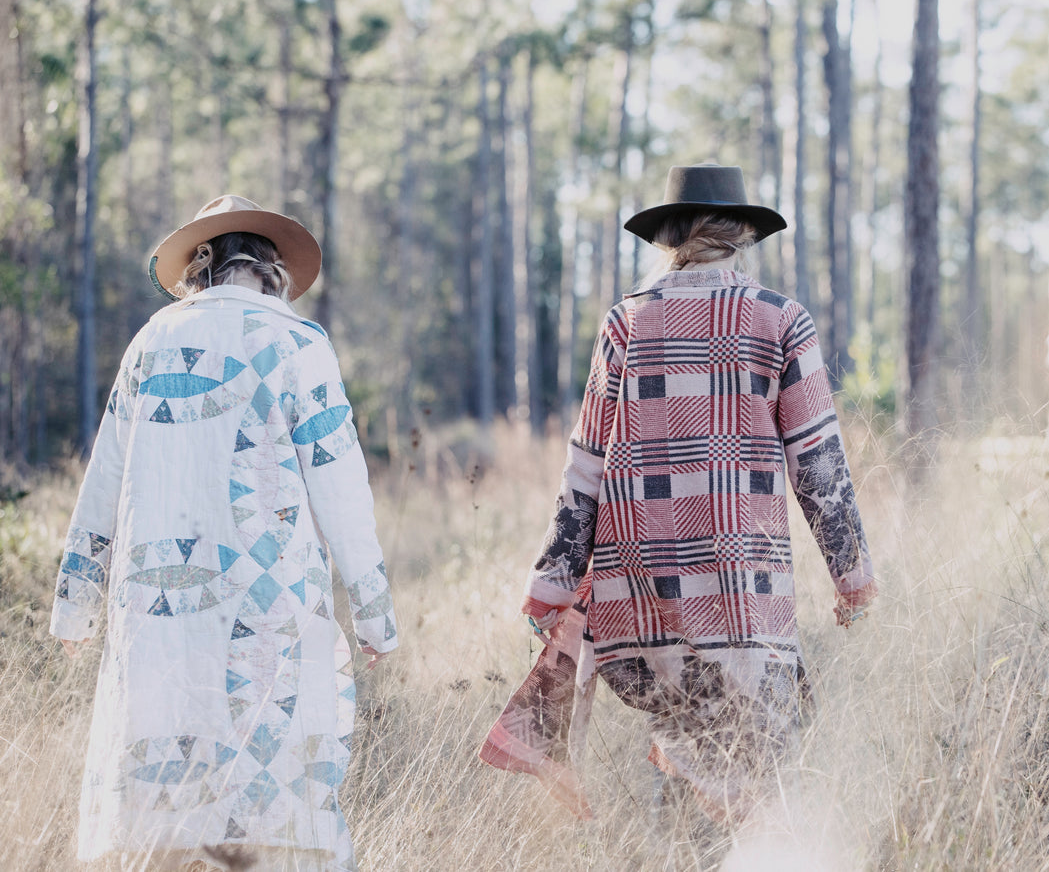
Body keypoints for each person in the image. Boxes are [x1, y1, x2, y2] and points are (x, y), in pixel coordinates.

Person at [481, 165, 876, 851]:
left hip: (643, 597)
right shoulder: (781, 320)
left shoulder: (625, 320)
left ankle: (679, 855)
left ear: (667, 236)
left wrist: (551, 582)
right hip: (744, 599)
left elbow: (586, 464)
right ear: (742, 234)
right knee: (758, 770)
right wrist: (851, 578)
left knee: (678, 734)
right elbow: (819, 465)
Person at [51, 195, 399, 872]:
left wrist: (76, 604)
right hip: (269, 618)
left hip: (159, 617)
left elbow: (103, 480)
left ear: (201, 268)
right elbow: (342, 488)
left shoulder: (150, 341)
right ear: (270, 267)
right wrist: (375, 616)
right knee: (271, 822)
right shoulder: (300, 343)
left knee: (164, 823)